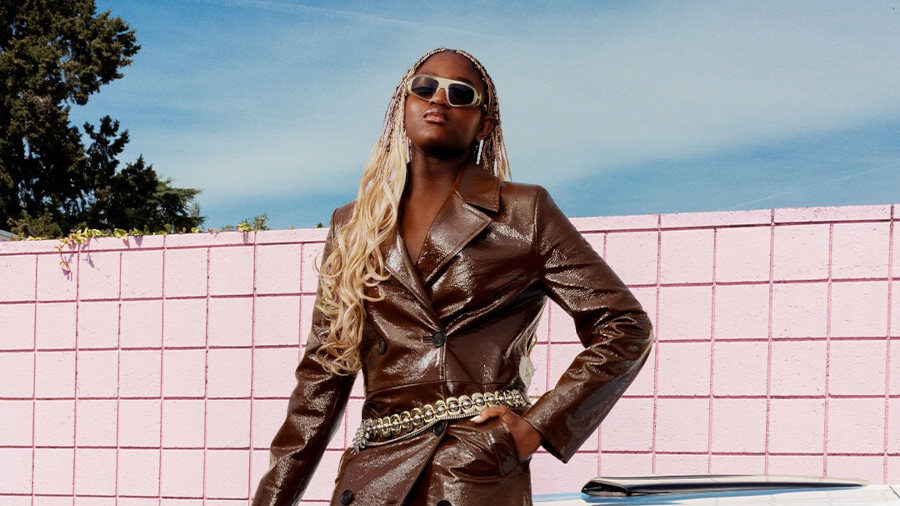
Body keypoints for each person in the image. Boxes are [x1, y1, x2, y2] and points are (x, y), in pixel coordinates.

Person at [252, 48, 653, 506]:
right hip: (372, 478)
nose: (438, 99)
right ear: (403, 108)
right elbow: (322, 377)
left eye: (460, 93)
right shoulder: (353, 225)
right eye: (423, 87)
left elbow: (625, 328)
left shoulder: (523, 212)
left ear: (483, 123)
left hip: (470, 471)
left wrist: (538, 425)